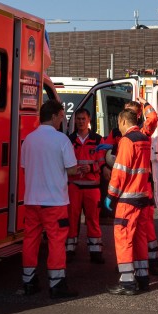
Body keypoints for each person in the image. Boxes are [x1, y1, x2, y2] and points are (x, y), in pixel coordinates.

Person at [18, 100, 87, 298]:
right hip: (55, 201)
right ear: (55, 115)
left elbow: (25, 167)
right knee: (56, 241)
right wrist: (79, 170)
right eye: (62, 116)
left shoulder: (29, 140)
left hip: (32, 200)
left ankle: (28, 281)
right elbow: (72, 169)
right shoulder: (62, 140)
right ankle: (57, 284)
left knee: (30, 239)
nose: (62, 119)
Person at [106, 107, 153, 295]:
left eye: (119, 124)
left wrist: (110, 196)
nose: (119, 127)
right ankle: (142, 278)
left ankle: (127, 282)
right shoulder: (144, 139)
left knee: (124, 238)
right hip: (142, 196)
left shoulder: (127, 141)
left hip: (127, 199)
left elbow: (120, 171)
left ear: (124, 121)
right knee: (140, 238)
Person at [125, 99, 158, 276]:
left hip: (142, 185)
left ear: (138, 115)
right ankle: (128, 262)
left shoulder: (142, 131)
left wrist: (146, 103)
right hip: (126, 187)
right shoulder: (119, 132)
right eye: (127, 112)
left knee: (146, 225)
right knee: (128, 228)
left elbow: (153, 118)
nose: (129, 115)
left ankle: (152, 261)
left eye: (132, 112)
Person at [67, 108, 106, 263]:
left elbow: (102, 162)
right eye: (78, 119)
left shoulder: (98, 139)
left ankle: (95, 252)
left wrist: (91, 168)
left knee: (93, 219)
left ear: (89, 119)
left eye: (83, 119)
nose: (80, 122)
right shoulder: (69, 139)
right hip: (74, 186)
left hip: (92, 186)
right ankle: (69, 249)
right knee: (71, 218)